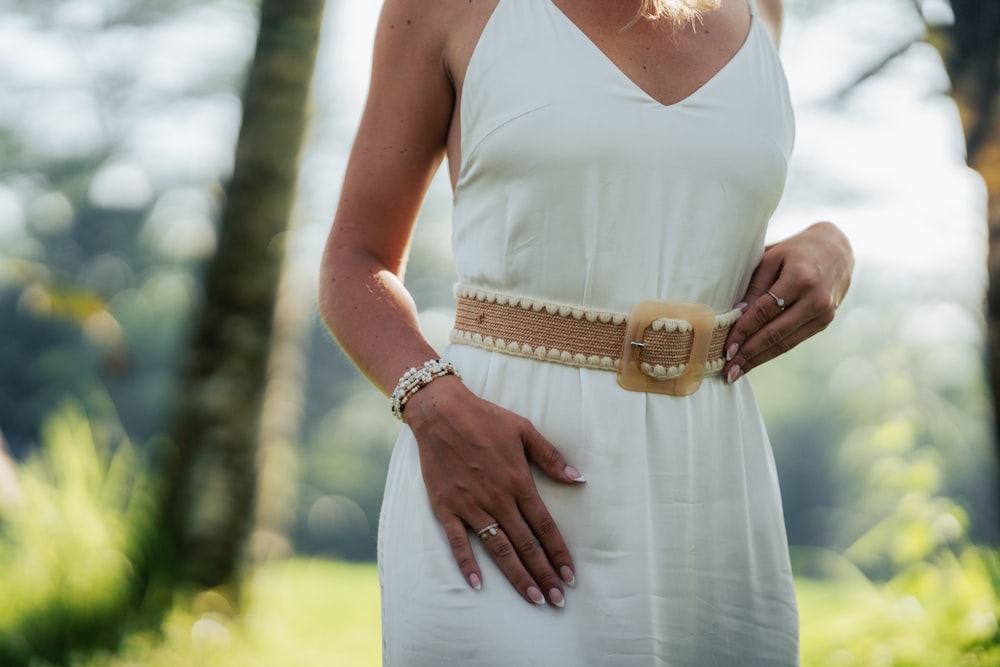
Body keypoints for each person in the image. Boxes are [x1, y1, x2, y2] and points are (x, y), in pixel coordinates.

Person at [318, 0, 853, 663]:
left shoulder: (761, 12)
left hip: (712, 489)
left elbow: (683, 206)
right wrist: (432, 405)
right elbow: (353, 263)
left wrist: (832, 244)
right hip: (499, 481)